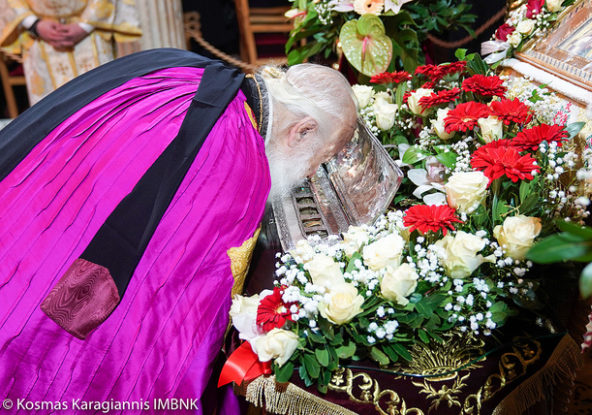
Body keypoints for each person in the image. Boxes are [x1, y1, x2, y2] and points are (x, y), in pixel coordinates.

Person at [0, 48, 356, 414]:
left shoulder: (191, 71)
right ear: (303, 130)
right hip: (61, 323)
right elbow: (185, 311)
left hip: (32, 226)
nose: (311, 173)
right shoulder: (241, 166)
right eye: (321, 158)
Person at [0, 0, 141, 104]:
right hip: (39, 39)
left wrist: (85, 25)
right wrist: (34, 24)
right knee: (52, 116)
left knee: (102, 105)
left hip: (92, 34)